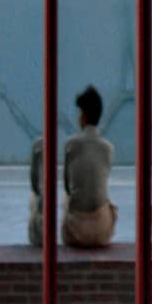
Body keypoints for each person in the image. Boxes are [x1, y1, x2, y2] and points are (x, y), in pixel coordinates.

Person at [29, 85, 117, 249]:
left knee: (49, 198)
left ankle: (40, 239)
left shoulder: (71, 145)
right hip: (102, 232)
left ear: (83, 115)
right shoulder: (108, 148)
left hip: (75, 232)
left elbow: (68, 187)